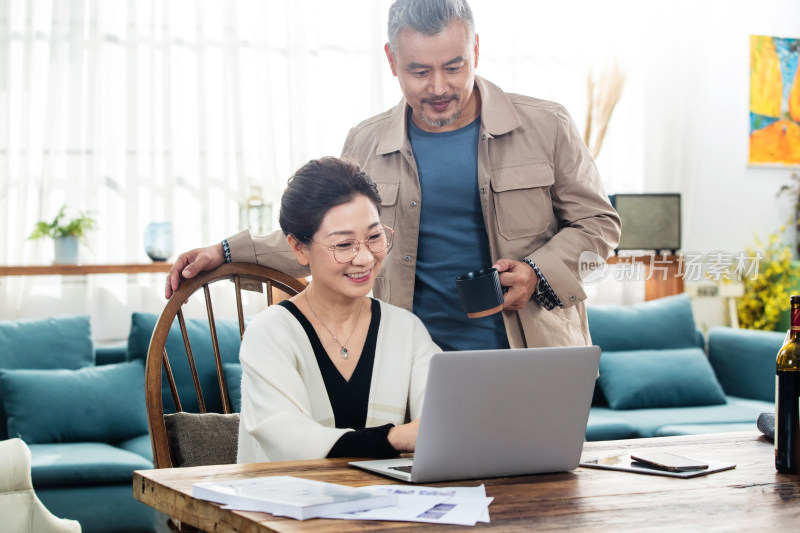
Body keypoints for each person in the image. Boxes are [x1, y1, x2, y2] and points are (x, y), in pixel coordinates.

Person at [167, 0, 621, 351]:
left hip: (533, 363)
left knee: (543, 479)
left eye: (454, 66)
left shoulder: (546, 125)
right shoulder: (364, 144)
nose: (439, 88)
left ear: (476, 50)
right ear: (391, 60)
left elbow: (600, 224)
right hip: (406, 371)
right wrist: (224, 252)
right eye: (420, 71)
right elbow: (321, 241)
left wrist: (536, 273)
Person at [237, 157, 439, 463]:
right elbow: (290, 443)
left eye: (374, 237)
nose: (365, 258)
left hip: (388, 506)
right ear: (298, 248)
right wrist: (395, 437)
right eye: (344, 245)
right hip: (286, 505)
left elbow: (443, 425)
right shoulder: (270, 332)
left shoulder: (406, 330)